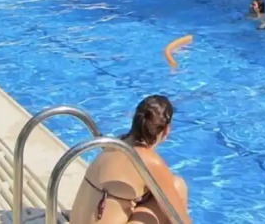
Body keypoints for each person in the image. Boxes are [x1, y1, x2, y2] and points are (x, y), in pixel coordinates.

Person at [69, 95, 190, 224]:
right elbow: (180, 219)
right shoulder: (149, 161)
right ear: (166, 130)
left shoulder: (113, 144)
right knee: (177, 186)